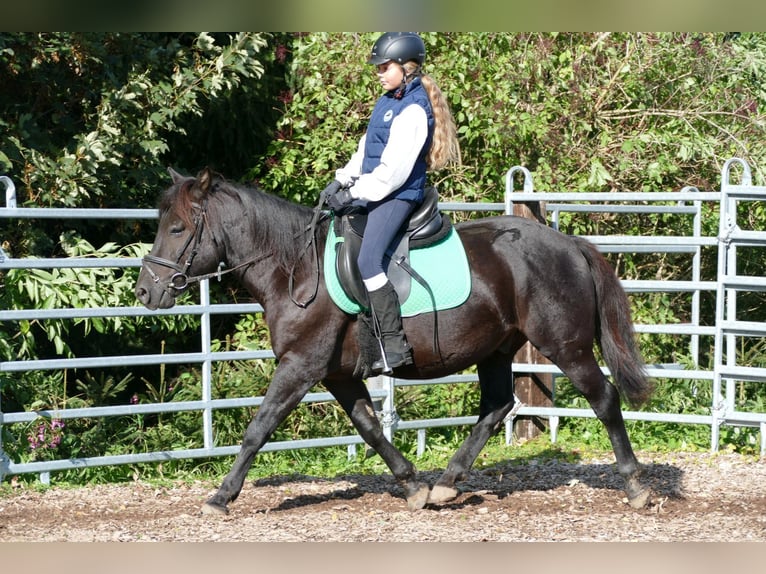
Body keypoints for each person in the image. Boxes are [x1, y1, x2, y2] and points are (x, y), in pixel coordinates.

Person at [323, 32, 461, 374]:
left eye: (385, 66)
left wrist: (355, 194)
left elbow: (393, 173)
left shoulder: (414, 109)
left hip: (397, 195)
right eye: (379, 67)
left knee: (369, 260)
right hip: (376, 190)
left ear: (406, 67)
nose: (380, 72)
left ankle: (394, 346)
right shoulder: (388, 101)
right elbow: (366, 150)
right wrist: (342, 179)